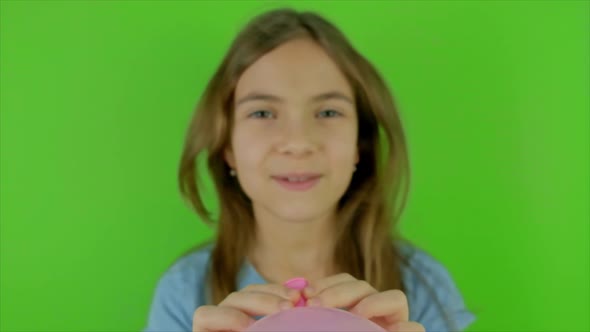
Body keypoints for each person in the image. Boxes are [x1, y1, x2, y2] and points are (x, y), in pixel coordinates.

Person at [144, 8, 475, 332]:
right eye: (262, 113)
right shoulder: (183, 294)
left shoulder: (422, 287)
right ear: (227, 147)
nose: (298, 142)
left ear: (360, 143)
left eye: (328, 112)